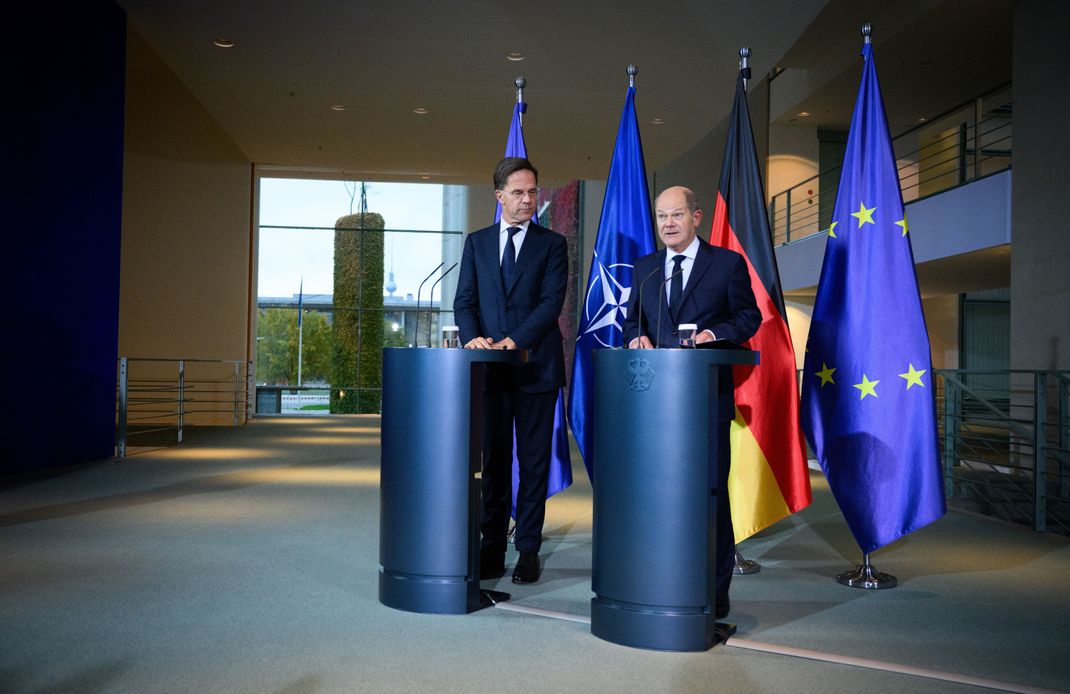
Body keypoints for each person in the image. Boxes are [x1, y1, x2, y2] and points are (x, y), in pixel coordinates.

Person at [621, 185, 760, 618]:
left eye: (676, 215)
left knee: (709, 497)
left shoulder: (727, 264)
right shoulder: (644, 268)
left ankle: (715, 590)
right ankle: (661, 578)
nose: (668, 224)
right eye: (662, 217)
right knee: (657, 496)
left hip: (704, 401)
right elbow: (632, 321)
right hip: (654, 405)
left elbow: (748, 316)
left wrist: (712, 335)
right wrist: (635, 336)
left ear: (696, 217)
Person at [453, 157, 568, 584]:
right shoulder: (477, 243)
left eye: (532, 192)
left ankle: (529, 550)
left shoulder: (552, 244)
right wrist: (473, 338)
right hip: (491, 373)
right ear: (499, 195)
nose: (527, 200)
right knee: (495, 464)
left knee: (534, 463)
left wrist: (511, 341)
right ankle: (491, 547)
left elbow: (549, 306)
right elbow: (464, 301)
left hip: (537, 369)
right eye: (518, 192)